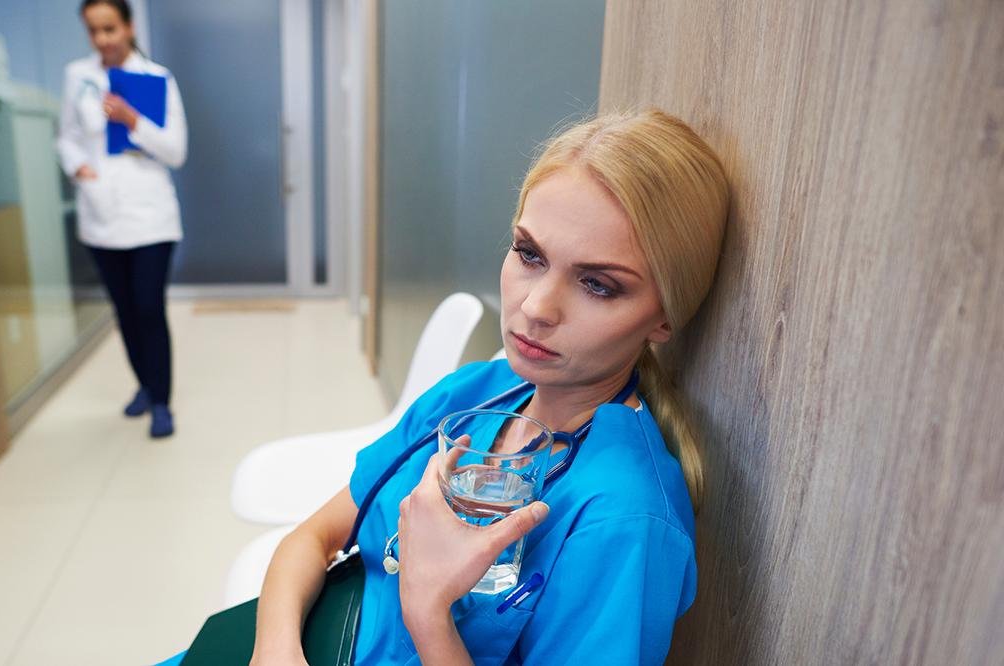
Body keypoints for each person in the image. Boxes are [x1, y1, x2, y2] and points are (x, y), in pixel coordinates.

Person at [158, 108, 728, 665]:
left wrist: (429, 609)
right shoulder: (476, 394)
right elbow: (312, 538)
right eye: (529, 254)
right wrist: (276, 650)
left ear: (663, 319)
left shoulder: (623, 520)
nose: (535, 307)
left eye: (598, 285)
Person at [57, 0, 187, 439]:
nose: (102, 40)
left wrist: (133, 120)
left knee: (149, 308)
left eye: (110, 29)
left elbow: (176, 151)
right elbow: (68, 138)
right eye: (94, 31)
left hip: (149, 217)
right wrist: (78, 167)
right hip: (99, 214)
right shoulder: (78, 76)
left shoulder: (157, 78)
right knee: (125, 311)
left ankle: (162, 403)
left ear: (129, 27)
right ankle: (145, 387)